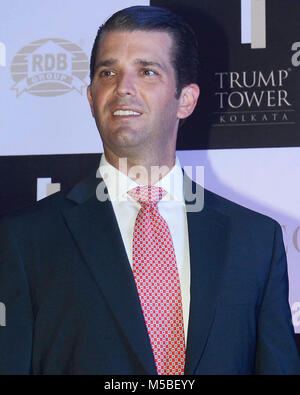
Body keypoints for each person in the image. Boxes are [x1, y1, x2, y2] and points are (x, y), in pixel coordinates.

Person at [0, 5, 299, 375]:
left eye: (147, 71)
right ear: (92, 97)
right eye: (108, 72)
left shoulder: (255, 240)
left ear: (185, 100)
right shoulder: (23, 240)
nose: (123, 87)